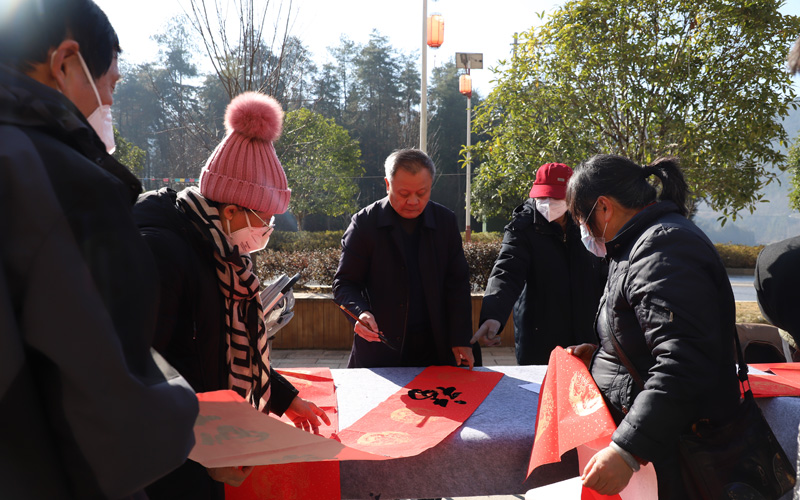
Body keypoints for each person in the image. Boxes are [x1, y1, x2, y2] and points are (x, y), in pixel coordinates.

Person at [0, 0, 198, 498]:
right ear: (67, 62)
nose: (108, 102)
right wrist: (184, 419)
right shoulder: (60, 180)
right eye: (110, 85)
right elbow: (115, 408)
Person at [133, 91, 330, 499]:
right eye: (264, 219)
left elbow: (224, 350)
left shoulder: (223, 254)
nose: (267, 232)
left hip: (209, 449)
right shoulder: (164, 251)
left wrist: (286, 398)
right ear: (231, 211)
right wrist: (204, 449)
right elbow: (142, 372)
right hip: (169, 464)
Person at [565, 154, 741, 498]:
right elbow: (644, 332)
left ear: (603, 208)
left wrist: (627, 451)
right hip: (662, 442)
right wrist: (605, 353)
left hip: (676, 454)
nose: (585, 232)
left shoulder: (663, 249)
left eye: (581, 220)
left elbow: (683, 362)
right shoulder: (636, 245)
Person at [333, 148, 479, 369]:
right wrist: (360, 313)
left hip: (436, 346)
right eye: (404, 194)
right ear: (387, 184)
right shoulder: (365, 223)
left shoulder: (445, 222)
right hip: (381, 346)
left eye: (422, 193)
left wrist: (460, 339)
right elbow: (345, 283)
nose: (413, 201)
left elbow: (457, 283)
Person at [471, 163, 606, 364]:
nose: (549, 203)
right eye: (543, 197)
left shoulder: (588, 222)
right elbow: (506, 272)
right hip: (539, 333)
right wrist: (493, 316)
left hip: (586, 330)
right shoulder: (522, 228)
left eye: (556, 197)